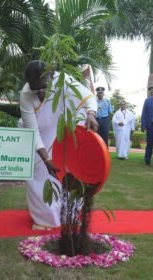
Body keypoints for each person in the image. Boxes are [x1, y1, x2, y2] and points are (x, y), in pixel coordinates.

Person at [19, 60, 98, 229]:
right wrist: (46, 159)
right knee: (38, 173)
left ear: (51, 76)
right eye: (35, 90)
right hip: (37, 138)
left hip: (60, 131)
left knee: (67, 172)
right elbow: (33, 131)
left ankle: (68, 214)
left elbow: (87, 96)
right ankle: (44, 219)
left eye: (43, 88)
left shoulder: (63, 80)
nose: (40, 93)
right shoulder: (25, 95)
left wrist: (90, 114)